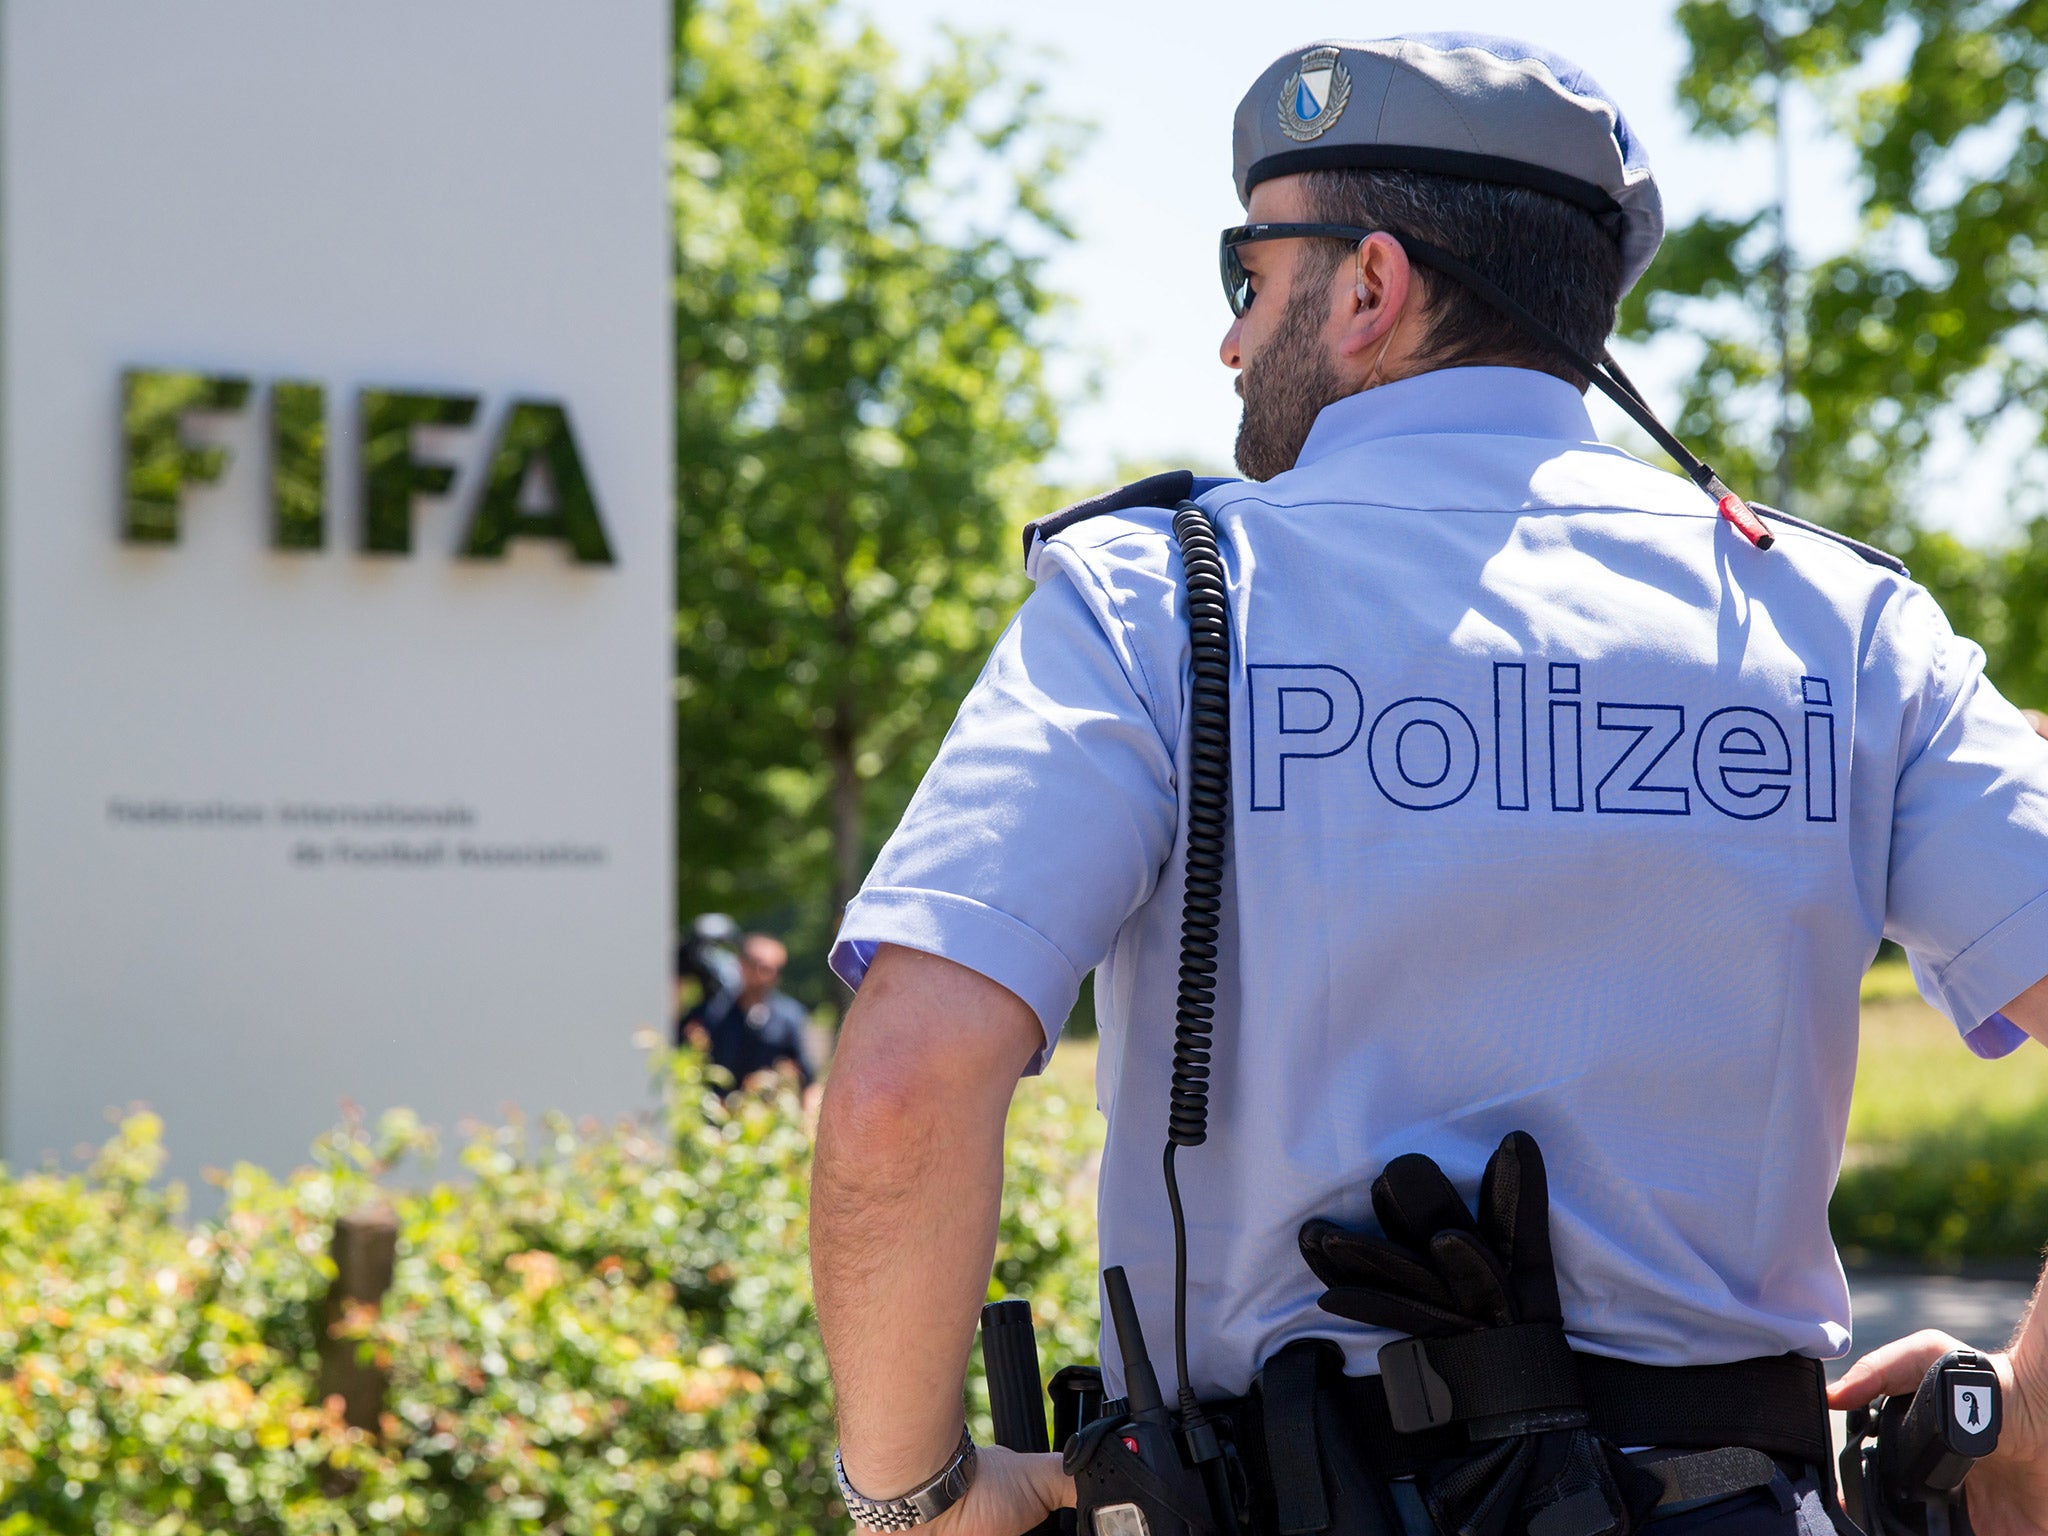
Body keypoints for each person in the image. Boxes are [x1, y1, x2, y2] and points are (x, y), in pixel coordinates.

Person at [810, 32, 2048, 1536]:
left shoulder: (1163, 599)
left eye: (1247, 280)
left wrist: (912, 1499)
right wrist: (2032, 1421)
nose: (1229, 342)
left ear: (1372, 287)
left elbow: (903, 1078)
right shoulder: (1843, 625)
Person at [679, 931, 816, 1094]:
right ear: (741, 963)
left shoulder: (790, 1017)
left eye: (771, 970)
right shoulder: (714, 1012)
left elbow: (807, 1077)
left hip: (766, 1113)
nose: (762, 976)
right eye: (756, 966)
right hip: (715, 1110)